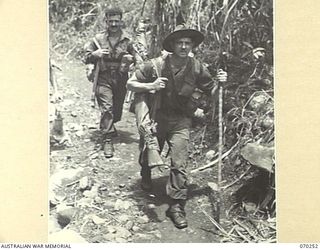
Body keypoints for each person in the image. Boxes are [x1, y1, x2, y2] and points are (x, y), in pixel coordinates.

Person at [127, 25, 227, 229]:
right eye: (179, 42)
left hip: (181, 120)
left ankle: (175, 206)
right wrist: (151, 86)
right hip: (156, 117)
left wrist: (220, 83)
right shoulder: (154, 65)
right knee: (149, 152)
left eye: (187, 43)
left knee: (179, 163)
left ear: (192, 46)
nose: (183, 46)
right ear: (172, 45)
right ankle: (146, 173)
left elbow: (213, 93)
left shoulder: (197, 67)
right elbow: (130, 84)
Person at [84, 7, 137, 158]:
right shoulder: (97, 39)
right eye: (110, 21)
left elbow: (138, 58)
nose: (113, 24)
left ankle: (111, 124)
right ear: (106, 21)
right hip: (103, 76)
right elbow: (86, 57)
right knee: (107, 108)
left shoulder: (128, 40)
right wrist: (95, 54)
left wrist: (131, 61)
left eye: (117, 21)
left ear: (121, 22)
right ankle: (107, 139)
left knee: (117, 111)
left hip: (121, 78)